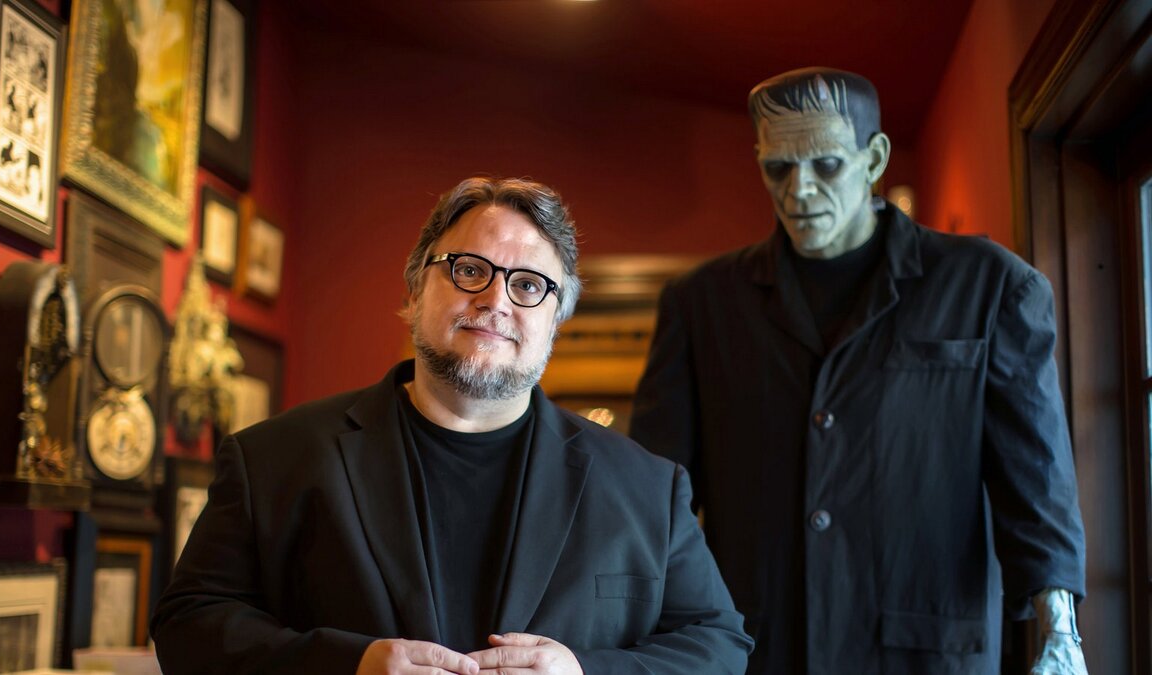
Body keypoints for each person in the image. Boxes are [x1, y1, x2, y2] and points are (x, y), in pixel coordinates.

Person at [151, 176, 754, 674]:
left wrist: (583, 672)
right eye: (468, 269)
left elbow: (720, 645)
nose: (495, 300)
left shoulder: (649, 488)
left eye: (528, 285)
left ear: (555, 320)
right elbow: (187, 626)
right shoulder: (271, 459)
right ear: (416, 289)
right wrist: (348, 665)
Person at [629, 67, 1088, 674]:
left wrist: (1061, 629)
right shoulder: (702, 304)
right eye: (778, 167)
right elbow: (654, 494)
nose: (799, 190)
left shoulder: (988, 286)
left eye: (826, 165)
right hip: (760, 647)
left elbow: (1035, 473)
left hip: (924, 648)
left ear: (874, 159)